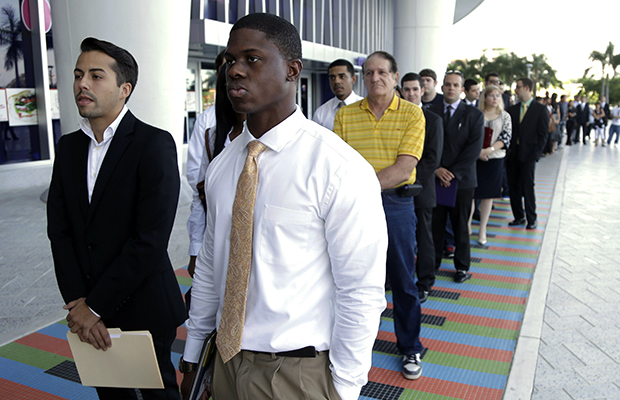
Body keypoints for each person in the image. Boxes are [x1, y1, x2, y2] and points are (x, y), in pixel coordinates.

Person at [181, 14, 388, 400]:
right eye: (229, 60)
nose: (235, 71)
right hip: (224, 364)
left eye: (252, 59)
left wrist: (343, 387)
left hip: (298, 372)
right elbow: (211, 265)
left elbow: (360, 290)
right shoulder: (224, 166)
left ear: (293, 70)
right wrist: (194, 354)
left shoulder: (337, 168)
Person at [47, 37, 187, 400]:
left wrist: (94, 307)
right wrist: (79, 302)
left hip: (143, 304)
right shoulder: (68, 147)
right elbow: (59, 231)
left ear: (124, 89)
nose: (82, 84)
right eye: (79, 75)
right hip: (88, 305)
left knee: (160, 395)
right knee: (110, 394)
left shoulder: (153, 144)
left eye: (96, 76)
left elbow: (150, 239)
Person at [334, 51, 425, 380]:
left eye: (382, 72)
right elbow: (339, 164)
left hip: (395, 205)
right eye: (369, 72)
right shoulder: (346, 115)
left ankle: (410, 346)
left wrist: (361, 187)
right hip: (354, 207)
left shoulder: (413, 115)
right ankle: (349, 347)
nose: (375, 78)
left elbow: (404, 168)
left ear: (395, 76)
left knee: (402, 280)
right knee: (351, 278)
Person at [185, 64, 245, 279]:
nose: (238, 74)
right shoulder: (214, 136)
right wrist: (195, 250)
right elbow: (200, 194)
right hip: (217, 248)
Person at [428, 71, 484, 283]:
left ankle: (462, 267)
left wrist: (452, 173)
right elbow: (425, 145)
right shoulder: (430, 112)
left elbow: (473, 149)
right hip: (435, 178)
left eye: (456, 85)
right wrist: (437, 169)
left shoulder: (474, 115)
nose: (451, 88)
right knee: (435, 226)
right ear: (442, 87)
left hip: (462, 180)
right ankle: (431, 265)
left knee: (461, 225)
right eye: (448, 84)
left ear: (462, 89)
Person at [401, 72, 443, 303]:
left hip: (421, 188)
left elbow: (432, 159)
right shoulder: (393, 118)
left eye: (415, 89)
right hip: (395, 189)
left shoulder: (434, 120)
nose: (411, 94)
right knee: (398, 237)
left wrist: (408, 178)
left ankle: (425, 282)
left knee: (424, 236)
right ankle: (395, 278)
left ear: (422, 90)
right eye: (406, 90)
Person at [187, 51, 227, 276]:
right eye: (227, 64)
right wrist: (195, 250)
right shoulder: (207, 123)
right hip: (215, 228)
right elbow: (198, 189)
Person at [469, 85, 511, 245]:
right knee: (471, 194)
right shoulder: (476, 114)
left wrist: (488, 150)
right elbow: (469, 135)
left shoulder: (505, 116)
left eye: (498, 95)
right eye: (491, 95)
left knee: (488, 195)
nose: (495, 98)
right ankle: (467, 224)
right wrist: (478, 152)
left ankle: (483, 228)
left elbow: (506, 138)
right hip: (475, 158)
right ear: (484, 97)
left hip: (494, 159)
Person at [506, 77, 549, 230]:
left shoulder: (540, 109)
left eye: (518, 87)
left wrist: (537, 154)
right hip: (513, 155)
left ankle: (532, 218)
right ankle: (519, 216)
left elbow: (543, 134)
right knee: (513, 187)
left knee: (527, 187)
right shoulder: (512, 110)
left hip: (529, 155)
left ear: (527, 88)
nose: (516, 90)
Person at [312, 59, 363, 131]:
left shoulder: (365, 107)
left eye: (342, 76)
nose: (336, 81)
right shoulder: (321, 113)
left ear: (353, 79)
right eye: (332, 78)